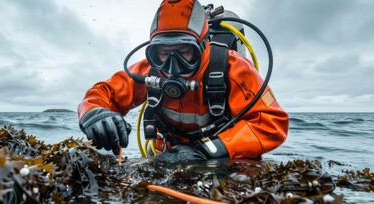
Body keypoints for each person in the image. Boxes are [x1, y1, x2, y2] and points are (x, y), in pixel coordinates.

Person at [78, 0, 289, 161]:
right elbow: (103, 93)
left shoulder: (234, 69)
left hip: (222, 161)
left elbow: (272, 123)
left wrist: (210, 150)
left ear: (204, 45)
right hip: (168, 160)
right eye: (163, 53)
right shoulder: (149, 71)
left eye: (184, 51)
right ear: (153, 51)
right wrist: (95, 113)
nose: (172, 66)